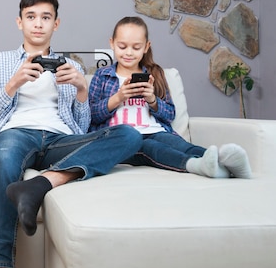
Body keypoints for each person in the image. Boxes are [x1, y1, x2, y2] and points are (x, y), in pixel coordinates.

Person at [0, 0, 143, 268]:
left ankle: (40, 184)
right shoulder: (0, 62)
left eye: (45, 17)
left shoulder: (73, 66)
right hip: (16, 134)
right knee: (0, 162)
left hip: (59, 139)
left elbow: (82, 129)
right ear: (19, 22)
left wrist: (81, 88)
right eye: (31, 17)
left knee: (129, 136)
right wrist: (13, 83)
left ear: (56, 23)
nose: (38, 24)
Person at [88, 16, 252, 179]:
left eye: (136, 47)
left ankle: (226, 164)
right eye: (122, 47)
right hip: (124, 140)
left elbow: (170, 114)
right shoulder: (103, 76)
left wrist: (152, 99)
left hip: (156, 131)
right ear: (112, 44)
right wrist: (118, 97)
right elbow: (91, 116)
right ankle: (197, 165)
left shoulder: (155, 74)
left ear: (146, 47)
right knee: (151, 148)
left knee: (181, 145)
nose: (129, 53)